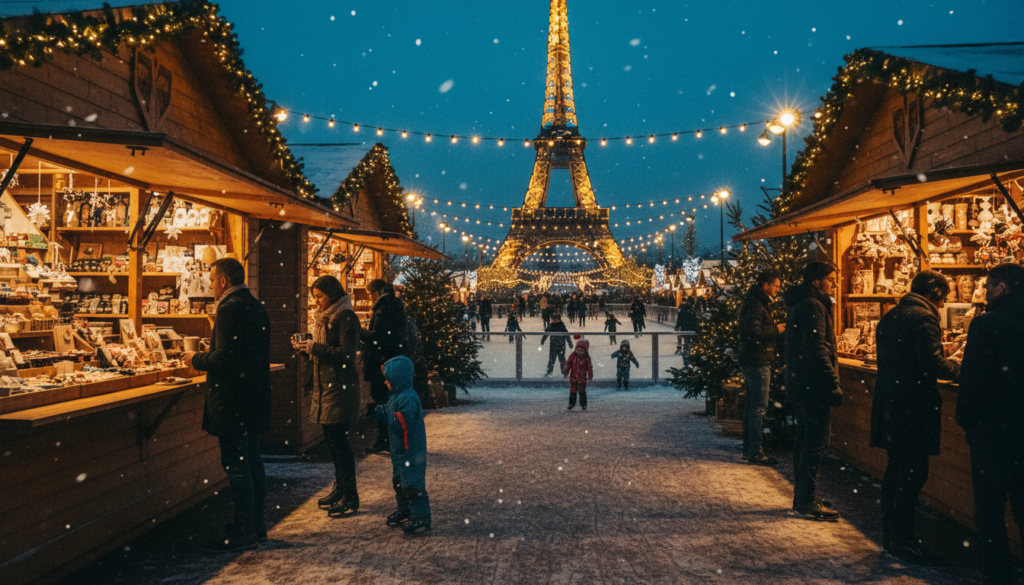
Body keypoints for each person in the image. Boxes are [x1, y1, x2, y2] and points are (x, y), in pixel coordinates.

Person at [871, 270, 960, 563]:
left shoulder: (893, 315)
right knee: (912, 473)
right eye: (944, 298)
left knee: (896, 469)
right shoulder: (923, 317)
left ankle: (890, 533)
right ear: (934, 294)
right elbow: (931, 365)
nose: (944, 304)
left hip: (892, 403)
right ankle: (903, 539)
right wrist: (957, 366)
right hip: (913, 406)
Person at [183, 258, 271, 552]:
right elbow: (242, 353)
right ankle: (256, 525)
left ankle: (244, 528)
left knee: (237, 467)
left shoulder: (229, 308)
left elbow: (227, 359)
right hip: (253, 398)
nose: (210, 287)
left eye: (211, 281)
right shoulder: (255, 306)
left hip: (234, 400)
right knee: (253, 462)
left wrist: (195, 359)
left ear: (223, 281)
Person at [956, 263, 1024, 585]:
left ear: (1002, 288)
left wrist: (967, 421)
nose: (983, 292)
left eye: (987, 287)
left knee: (990, 513)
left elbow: (974, 381)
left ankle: (999, 577)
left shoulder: (987, 325)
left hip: (994, 433)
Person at [295, 275, 362, 518]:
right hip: (327, 388)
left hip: (340, 389)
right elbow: (326, 353)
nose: (316, 302)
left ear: (332, 295)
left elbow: (346, 354)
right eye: (314, 298)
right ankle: (341, 489)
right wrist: (306, 349)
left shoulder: (345, 317)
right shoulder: (325, 319)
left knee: (340, 444)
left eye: (319, 297)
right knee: (334, 444)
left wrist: (314, 347)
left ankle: (349, 494)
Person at [783, 261, 843, 521]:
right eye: (830, 279)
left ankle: (803, 495)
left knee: (805, 439)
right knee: (817, 441)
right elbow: (817, 348)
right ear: (816, 281)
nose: (834, 283)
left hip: (802, 381)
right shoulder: (813, 305)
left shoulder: (805, 303)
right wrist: (832, 382)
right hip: (813, 384)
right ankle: (807, 498)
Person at [376, 356, 432, 534]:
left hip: (410, 451)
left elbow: (403, 422)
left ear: (397, 379)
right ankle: (405, 510)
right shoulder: (397, 396)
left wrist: (389, 416)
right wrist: (380, 411)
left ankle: (421, 515)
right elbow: (393, 416)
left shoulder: (408, 398)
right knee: (399, 482)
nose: (385, 382)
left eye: (388, 378)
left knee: (412, 484)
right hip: (399, 451)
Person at [738, 270, 785, 466]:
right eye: (775, 286)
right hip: (758, 360)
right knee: (758, 407)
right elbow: (752, 331)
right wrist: (777, 329)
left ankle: (750, 448)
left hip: (753, 358)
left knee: (752, 406)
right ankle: (755, 451)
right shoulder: (756, 304)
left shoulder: (755, 302)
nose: (777, 290)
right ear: (766, 285)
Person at [363, 279, 407, 455]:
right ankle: (389, 439)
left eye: (370, 294)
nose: (369, 298)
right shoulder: (394, 305)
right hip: (390, 358)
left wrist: (360, 332)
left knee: (381, 398)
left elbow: (377, 338)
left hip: (382, 361)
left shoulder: (383, 309)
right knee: (387, 399)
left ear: (378, 292)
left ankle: (385, 440)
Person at [564, 339, 593, 410]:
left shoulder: (586, 358)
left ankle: (583, 404)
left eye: (581, 348)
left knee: (582, 391)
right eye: (577, 348)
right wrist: (566, 371)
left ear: (585, 349)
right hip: (573, 378)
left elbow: (589, 367)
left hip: (582, 378)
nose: (579, 350)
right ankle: (571, 404)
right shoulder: (573, 356)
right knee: (572, 391)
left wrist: (590, 376)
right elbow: (568, 364)